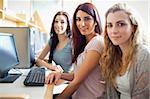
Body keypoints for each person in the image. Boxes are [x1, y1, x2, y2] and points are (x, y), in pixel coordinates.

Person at [45, 2, 106, 99]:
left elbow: (77, 81)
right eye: (78, 19)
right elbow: (76, 75)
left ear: (95, 21)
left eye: (87, 18)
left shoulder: (97, 43)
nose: (82, 24)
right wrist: (59, 75)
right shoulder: (86, 43)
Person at [101, 3, 150, 99]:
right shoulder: (113, 54)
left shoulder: (144, 55)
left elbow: (142, 96)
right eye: (109, 25)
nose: (114, 31)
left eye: (120, 24)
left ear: (133, 27)